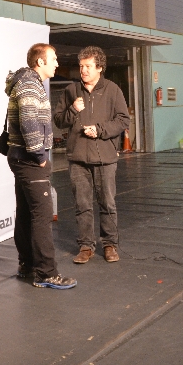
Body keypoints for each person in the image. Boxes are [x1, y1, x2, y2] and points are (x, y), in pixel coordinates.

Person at [5, 43, 76, 290]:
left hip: (21, 158)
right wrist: (39, 155)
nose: (57, 63)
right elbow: (28, 122)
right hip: (29, 160)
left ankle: (27, 265)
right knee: (42, 216)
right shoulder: (29, 84)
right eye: (53, 59)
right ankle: (46, 273)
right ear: (40, 62)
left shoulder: (30, 83)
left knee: (26, 212)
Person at [53, 46, 129, 264]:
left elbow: (123, 120)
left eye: (88, 66)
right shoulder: (71, 90)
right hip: (78, 158)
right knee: (82, 204)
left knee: (107, 203)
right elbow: (58, 121)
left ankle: (110, 244)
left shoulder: (113, 90)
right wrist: (73, 110)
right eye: (81, 66)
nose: (83, 70)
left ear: (99, 68)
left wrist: (100, 130)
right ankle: (86, 246)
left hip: (105, 157)